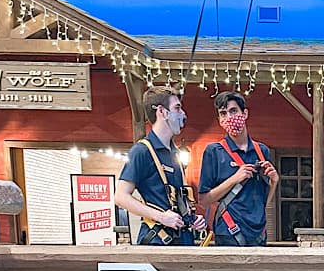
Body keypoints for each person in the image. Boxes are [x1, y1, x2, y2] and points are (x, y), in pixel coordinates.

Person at [115, 86, 206, 247]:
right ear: (162, 112)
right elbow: (121, 197)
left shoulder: (175, 154)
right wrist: (161, 217)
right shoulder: (141, 151)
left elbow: (178, 199)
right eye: (177, 108)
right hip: (157, 242)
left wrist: (192, 219)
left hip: (183, 241)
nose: (182, 114)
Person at [198, 91, 279, 249]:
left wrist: (274, 182)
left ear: (245, 113)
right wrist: (235, 178)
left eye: (233, 111)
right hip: (229, 231)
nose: (229, 117)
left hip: (258, 233)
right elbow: (204, 200)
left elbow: (262, 202)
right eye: (223, 113)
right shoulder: (214, 152)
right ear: (220, 120)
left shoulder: (262, 151)